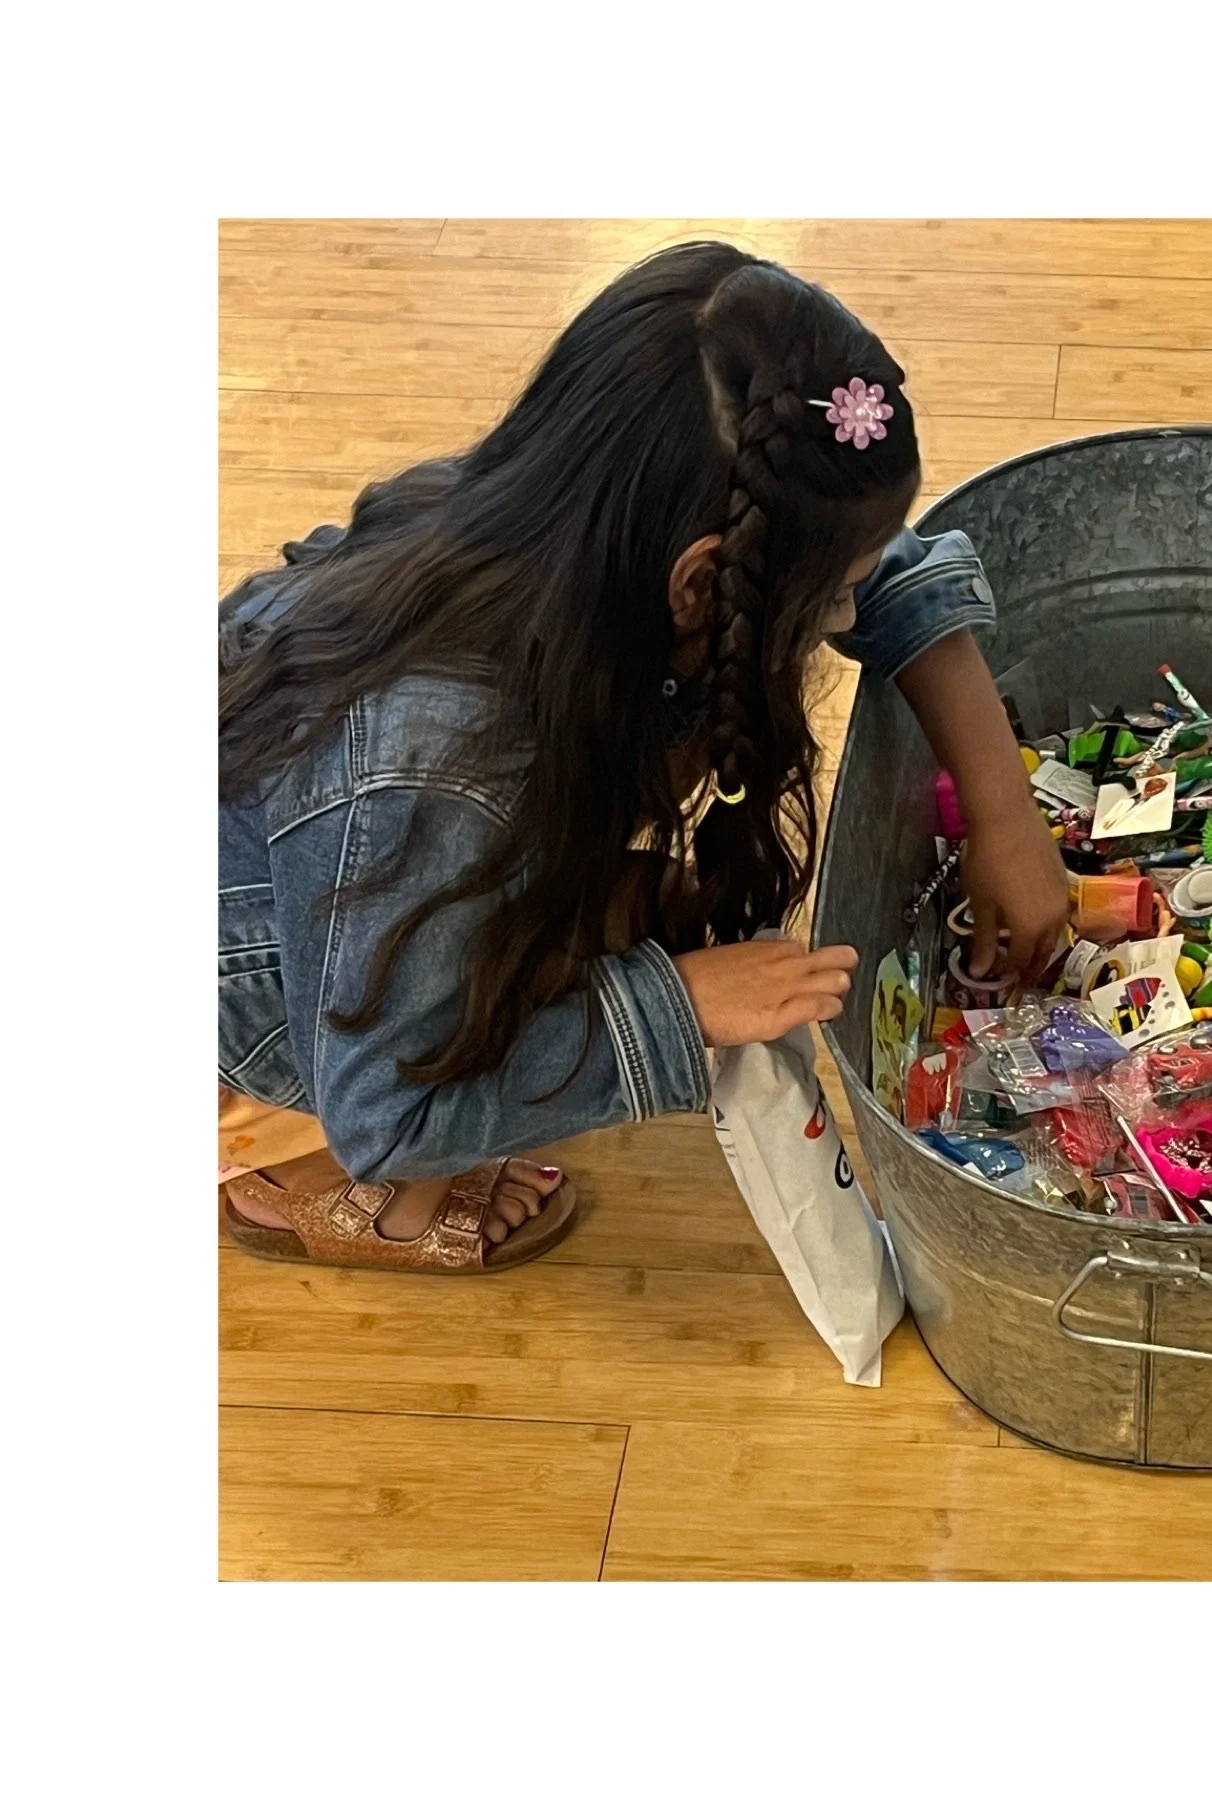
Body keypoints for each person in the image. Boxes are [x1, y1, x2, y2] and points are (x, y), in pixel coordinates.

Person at [218, 241, 1069, 1273]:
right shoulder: (434, 766)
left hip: (355, 872)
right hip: (254, 965)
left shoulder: (595, 521)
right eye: (830, 596)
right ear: (703, 587)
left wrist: (1005, 813)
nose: (850, 609)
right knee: (425, 1067)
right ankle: (271, 1162)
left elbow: (891, 570)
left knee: (613, 902)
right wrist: (685, 1005)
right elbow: (390, 1113)